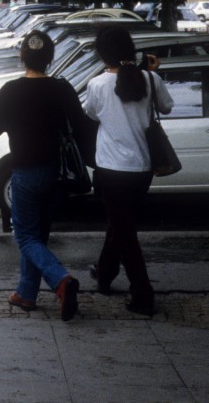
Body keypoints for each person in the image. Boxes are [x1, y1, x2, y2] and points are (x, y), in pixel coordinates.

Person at [0, 30, 93, 320]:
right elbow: (82, 127)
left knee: (26, 236)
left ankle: (61, 280)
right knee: (38, 235)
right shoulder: (62, 89)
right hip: (56, 174)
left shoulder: (12, 90)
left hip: (26, 173)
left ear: (22, 57)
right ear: (50, 58)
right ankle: (26, 293)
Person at [83, 25, 172, 316]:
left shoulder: (97, 85)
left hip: (110, 168)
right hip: (143, 168)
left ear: (102, 53)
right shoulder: (150, 78)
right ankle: (105, 275)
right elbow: (167, 107)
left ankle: (143, 292)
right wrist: (154, 71)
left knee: (123, 230)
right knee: (120, 225)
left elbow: (91, 114)